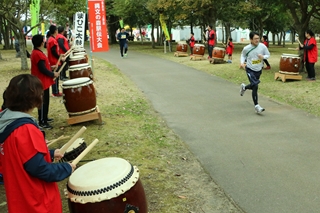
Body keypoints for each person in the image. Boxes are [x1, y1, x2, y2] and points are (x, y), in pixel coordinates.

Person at [0, 74, 75, 213]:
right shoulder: (25, 130)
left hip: (19, 200)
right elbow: (39, 169)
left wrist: (50, 153)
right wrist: (66, 168)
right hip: (35, 203)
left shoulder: (5, 122)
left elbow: (21, 156)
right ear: (34, 98)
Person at [31, 34, 60, 129]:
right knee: (42, 102)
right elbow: (42, 69)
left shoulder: (38, 52)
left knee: (46, 101)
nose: (44, 42)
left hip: (44, 82)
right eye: (43, 41)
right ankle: (42, 122)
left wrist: (51, 67)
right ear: (41, 42)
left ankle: (45, 118)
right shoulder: (37, 54)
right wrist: (53, 74)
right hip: (40, 82)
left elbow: (44, 66)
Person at [239, 32, 270, 114]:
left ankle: (244, 88)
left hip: (258, 69)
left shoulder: (262, 46)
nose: (257, 40)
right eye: (255, 39)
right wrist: (242, 63)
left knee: (253, 85)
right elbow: (243, 55)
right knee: (255, 85)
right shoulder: (247, 48)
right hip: (249, 69)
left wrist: (263, 57)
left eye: (258, 38)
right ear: (251, 39)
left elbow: (268, 55)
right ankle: (256, 106)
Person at [47, 25, 65, 96]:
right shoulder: (52, 40)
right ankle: (55, 92)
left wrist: (61, 55)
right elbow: (53, 51)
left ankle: (55, 91)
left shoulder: (50, 39)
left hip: (53, 60)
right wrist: (59, 57)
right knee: (55, 76)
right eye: (57, 30)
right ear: (55, 31)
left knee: (55, 76)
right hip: (54, 61)